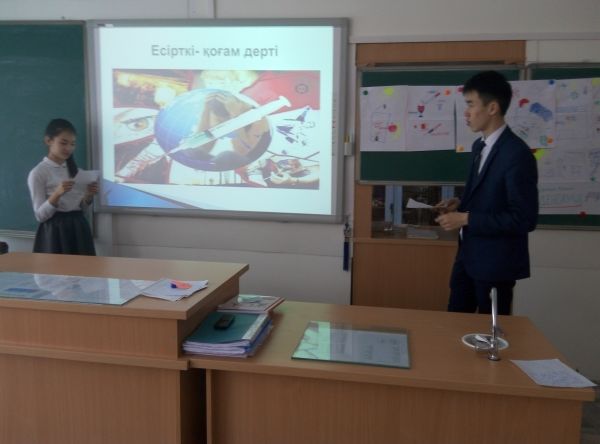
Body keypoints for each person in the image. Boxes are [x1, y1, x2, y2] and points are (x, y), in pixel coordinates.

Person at [434, 71, 538, 315]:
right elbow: (488, 196)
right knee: (454, 325)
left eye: (471, 104)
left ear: (492, 108)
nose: (466, 113)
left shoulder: (517, 154)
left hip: (496, 265)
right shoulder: (479, 146)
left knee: (491, 331)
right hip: (467, 258)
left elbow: (524, 219)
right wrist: (459, 203)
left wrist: (466, 218)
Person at [27, 118, 97, 255]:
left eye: (72, 144)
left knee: (84, 268)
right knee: (58, 268)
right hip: (55, 232)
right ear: (48, 141)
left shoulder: (76, 171)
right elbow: (40, 216)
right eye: (63, 143)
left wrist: (88, 196)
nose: (69, 148)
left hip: (78, 227)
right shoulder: (38, 173)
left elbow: (81, 209)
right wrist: (57, 194)